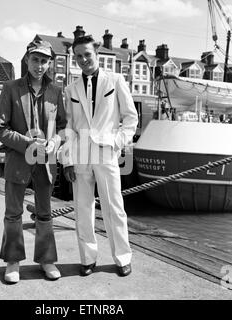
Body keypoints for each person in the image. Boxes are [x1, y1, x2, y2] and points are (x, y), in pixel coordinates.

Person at [62, 35, 138, 277]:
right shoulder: (70, 89)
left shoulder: (115, 80)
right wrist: (68, 160)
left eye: (87, 54)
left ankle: (122, 258)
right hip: (81, 155)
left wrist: (117, 143)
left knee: (114, 208)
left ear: (96, 53)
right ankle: (87, 259)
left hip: (107, 154)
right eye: (79, 56)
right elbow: (69, 128)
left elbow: (130, 118)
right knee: (82, 209)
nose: (84, 59)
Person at [0, 40, 66, 284]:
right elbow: (1, 130)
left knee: (45, 213)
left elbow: (64, 128)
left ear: (49, 64)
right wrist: (28, 143)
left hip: (46, 162)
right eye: (35, 59)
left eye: (44, 61)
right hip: (18, 159)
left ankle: (47, 260)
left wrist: (55, 141)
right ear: (26, 59)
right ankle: (13, 262)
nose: (39, 65)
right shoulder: (10, 88)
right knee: (13, 212)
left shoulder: (57, 92)